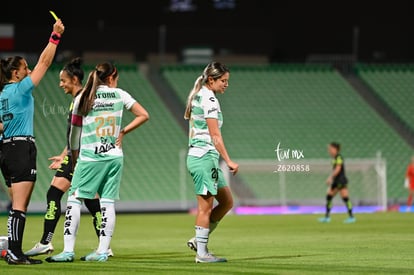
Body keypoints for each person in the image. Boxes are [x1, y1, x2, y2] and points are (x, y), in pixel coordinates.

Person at [46, 62, 149, 262]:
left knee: (74, 200)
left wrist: (74, 159)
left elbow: (74, 136)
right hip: (114, 156)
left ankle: (68, 251)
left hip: (90, 157)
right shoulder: (120, 94)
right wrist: (123, 131)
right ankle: (102, 252)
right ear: (111, 78)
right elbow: (144, 115)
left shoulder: (83, 97)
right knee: (108, 203)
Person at [25, 57, 112, 257]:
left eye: (63, 80)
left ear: (74, 79)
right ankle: (104, 243)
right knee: (90, 200)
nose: (60, 84)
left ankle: (46, 242)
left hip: (81, 157)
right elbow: (75, 133)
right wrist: (64, 155)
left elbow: (84, 133)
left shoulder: (82, 100)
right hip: (76, 156)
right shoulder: (79, 100)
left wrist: (72, 157)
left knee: (55, 194)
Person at [0, 18, 65, 265]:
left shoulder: (1, 95)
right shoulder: (19, 90)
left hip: (6, 149)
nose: (29, 71)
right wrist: (55, 36)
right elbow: (45, 62)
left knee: (17, 205)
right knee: (19, 206)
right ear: (16, 73)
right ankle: (14, 253)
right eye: (25, 68)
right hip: (21, 148)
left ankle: (15, 250)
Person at [184, 61, 239, 263]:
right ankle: (202, 253)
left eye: (227, 81)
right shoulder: (208, 99)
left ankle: (198, 242)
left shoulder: (204, 96)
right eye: (223, 81)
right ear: (211, 80)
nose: (226, 84)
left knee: (226, 202)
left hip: (206, 159)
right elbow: (215, 134)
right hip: (204, 157)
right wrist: (229, 160)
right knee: (205, 208)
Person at [318, 142, 356, 224]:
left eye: (330, 149)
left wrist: (330, 178)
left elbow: (338, 169)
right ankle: (328, 217)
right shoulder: (335, 158)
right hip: (337, 181)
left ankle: (350, 217)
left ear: (335, 149)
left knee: (340, 197)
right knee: (334, 197)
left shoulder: (339, 158)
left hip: (340, 181)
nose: (329, 151)